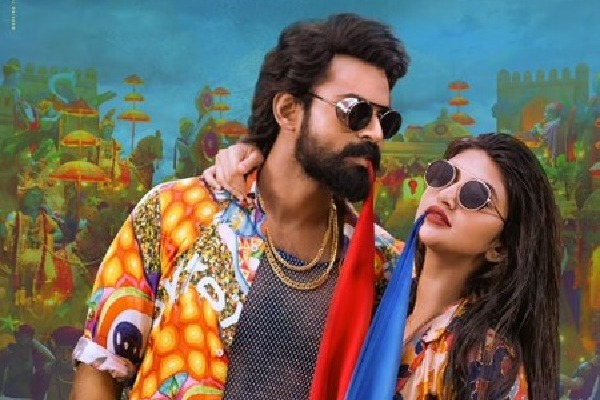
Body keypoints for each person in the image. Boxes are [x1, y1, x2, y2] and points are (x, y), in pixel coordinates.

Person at [71, 13, 409, 400]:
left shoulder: (381, 265)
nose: (375, 133)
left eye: (385, 119)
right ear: (288, 111)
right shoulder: (176, 212)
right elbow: (101, 368)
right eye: (355, 112)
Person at [204, 132, 560, 399]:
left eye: (476, 196)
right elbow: (327, 219)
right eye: (444, 175)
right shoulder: (383, 286)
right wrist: (252, 162)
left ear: (499, 247)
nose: (448, 195)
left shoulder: (483, 354)